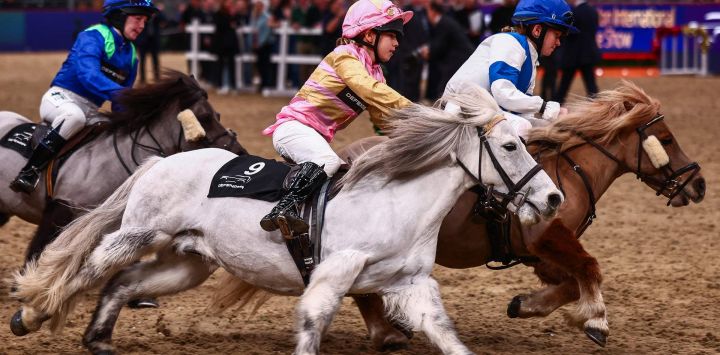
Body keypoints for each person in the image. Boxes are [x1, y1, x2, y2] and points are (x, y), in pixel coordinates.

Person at [259, 0, 413, 233]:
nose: (397, 43)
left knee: (341, 172)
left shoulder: (376, 73)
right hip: (293, 129)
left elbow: (384, 121)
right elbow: (368, 89)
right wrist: (416, 111)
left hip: (314, 137)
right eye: (392, 35)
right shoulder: (345, 56)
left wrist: (414, 136)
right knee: (329, 162)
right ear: (370, 35)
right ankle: (282, 209)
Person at [10, 0, 158, 194]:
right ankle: (29, 171)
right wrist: (128, 95)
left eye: (145, 21)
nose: (142, 26)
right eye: (138, 18)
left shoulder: (131, 56)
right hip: (60, 98)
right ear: (119, 16)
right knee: (75, 117)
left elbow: (120, 104)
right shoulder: (92, 36)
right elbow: (89, 76)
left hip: (90, 111)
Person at [444, 0, 577, 137]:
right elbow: (503, 93)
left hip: (479, 111)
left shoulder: (530, 57)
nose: (558, 42)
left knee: (545, 128)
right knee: (522, 127)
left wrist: (554, 124)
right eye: (557, 35)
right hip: (459, 111)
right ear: (537, 30)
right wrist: (546, 107)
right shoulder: (510, 42)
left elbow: (522, 113)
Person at [420, 1, 474, 100]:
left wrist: (428, 52)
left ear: (432, 11)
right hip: (458, 60)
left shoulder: (443, 23)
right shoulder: (445, 21)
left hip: (459, 61)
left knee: (445, 89)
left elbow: (438, 46)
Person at [553, 0, 600, 104]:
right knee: (591, 87)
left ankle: (554, 107)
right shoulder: (593, 11)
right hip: (588, 54)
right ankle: (598, 110)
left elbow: (568, 32)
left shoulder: (574, 12)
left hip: (572, 55)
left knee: (563, 87)